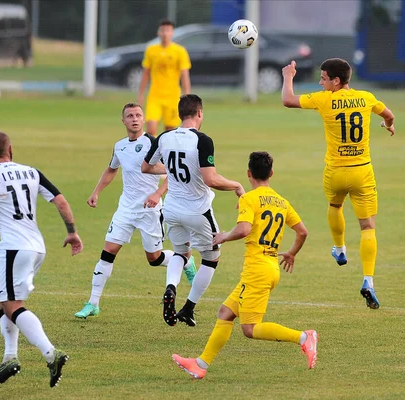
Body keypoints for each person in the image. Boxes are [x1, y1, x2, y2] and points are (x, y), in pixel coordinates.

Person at [0, 132, 83, 387]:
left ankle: (51, 354)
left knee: (12, 305)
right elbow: (61, 201)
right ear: (11, 149)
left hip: (15, 248)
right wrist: (72, 232)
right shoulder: (32, 172)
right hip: (36, 246)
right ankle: (9, 358)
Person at [171, 151, 316, 379]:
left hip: (257, 271)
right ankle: (200, 364)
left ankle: (303, 337)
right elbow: (302, 231)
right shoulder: (282, 201)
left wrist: (224, 236)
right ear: (271, 173)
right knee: (226, 312)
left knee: (250, 329)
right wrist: (291, 253)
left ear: (249, 173)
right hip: (269, 268)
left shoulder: (249, 198)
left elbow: (245, 229)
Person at [281, 58, 396, 309]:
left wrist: (289, 77)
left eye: (323, 78)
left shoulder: (324, 100)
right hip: (362, 172)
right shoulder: (366, 97)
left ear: (336, 81)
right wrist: (388, 125)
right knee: (367, 227)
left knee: (335, 205)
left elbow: (288, 100)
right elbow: (389, 115)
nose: (321, 83)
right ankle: (368, 281)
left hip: (335, 172)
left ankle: (339, 248)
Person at [74, 103, 197, 320]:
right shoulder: (120, 146)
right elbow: (112, 169)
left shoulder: (153, 142)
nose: (135, 119)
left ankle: (186, 261)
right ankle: (93, 303)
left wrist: (158, 194)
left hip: (150, 211)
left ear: (143, 119)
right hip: (125, 210)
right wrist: (96, 192)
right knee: (108, 252)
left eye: (138, 115)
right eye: (130, 115)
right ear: (123, 121)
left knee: (154, 259)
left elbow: (172, 172)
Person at [141, 94, 245, 327]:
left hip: (171, 209)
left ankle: (170, 287)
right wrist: (236, 185)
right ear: (199, 113)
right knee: (211, 258)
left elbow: (146, 167)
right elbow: (211, 179)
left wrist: (168, 166)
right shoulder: (203, 140)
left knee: (180, 253)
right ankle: (188, 308)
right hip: (197, 211)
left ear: (179, 115)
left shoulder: (164, 137)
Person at [138, 19, 191, 136]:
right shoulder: (151, 50)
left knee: (170, 131)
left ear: (172, 33)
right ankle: (153, 153)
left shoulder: (180, 51)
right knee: (151, 129)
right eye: (162, 30)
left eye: (168, 30)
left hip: (172, 97)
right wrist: (141, 94)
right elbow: (145, 73)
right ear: (158, 32)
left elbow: (185, 76)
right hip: (155, 96)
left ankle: (165, 154)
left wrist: (187, 97)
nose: (165, 33)